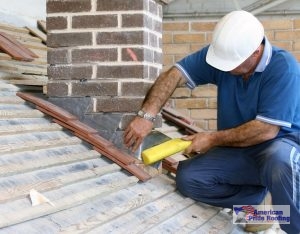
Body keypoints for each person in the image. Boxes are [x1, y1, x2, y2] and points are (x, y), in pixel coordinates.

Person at [124, 10, 300, 233]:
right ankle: (259, 206)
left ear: (255, 53)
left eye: (231, 64)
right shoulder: (223, 57)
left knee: (280, 161)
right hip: (241, 149)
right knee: (190, 178)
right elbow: (175, 74)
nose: (224, 69)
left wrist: (212, 139)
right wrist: (146, 115)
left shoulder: (284, 67)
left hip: (282, 146)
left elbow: (266, 130)